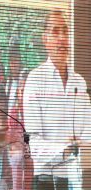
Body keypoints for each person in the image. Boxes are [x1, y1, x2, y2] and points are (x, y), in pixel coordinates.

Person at [23, 10, 91, 188]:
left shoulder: (79, 82)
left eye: (65, 32)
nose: (61, 38)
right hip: (47, 178)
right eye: (55, 31)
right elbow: (34, 143)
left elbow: (88, 129)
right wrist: (66, 149)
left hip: (76, 179)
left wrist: (82, 144)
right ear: (45, 40)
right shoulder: (35, 80)